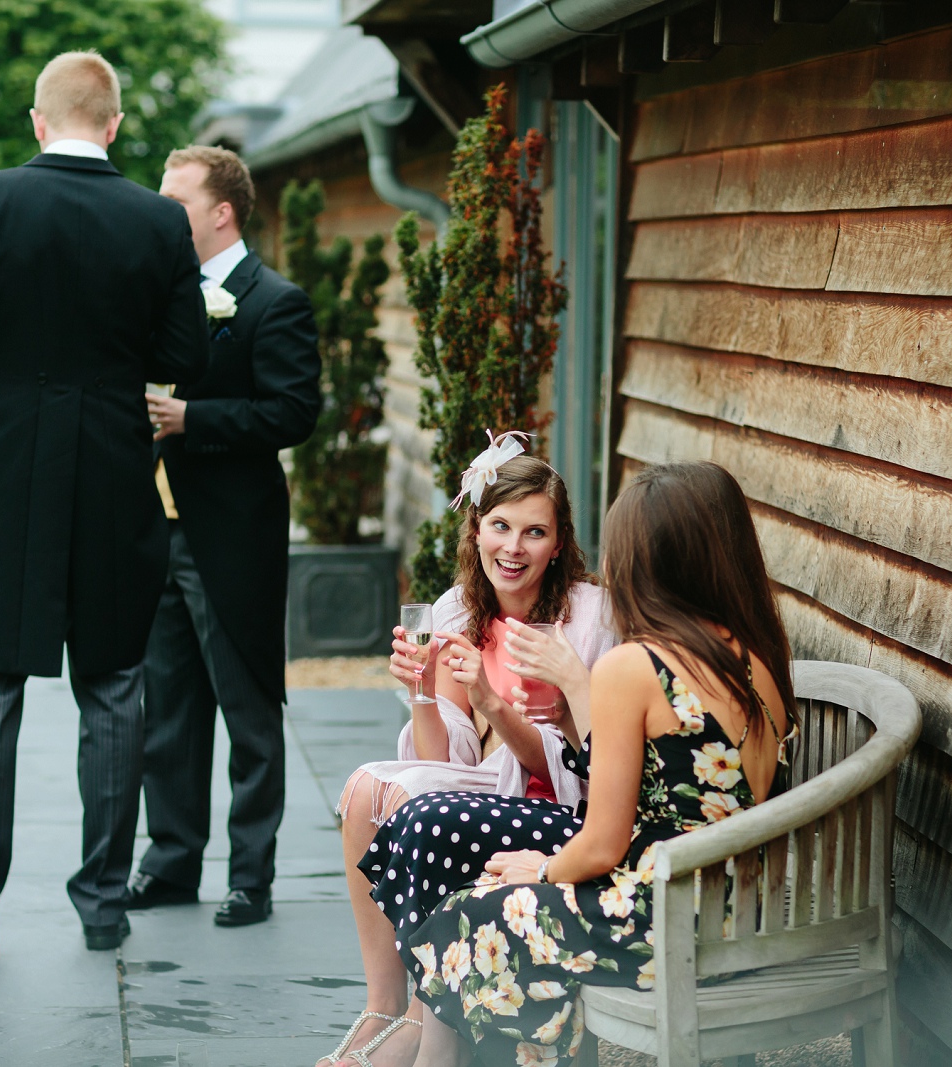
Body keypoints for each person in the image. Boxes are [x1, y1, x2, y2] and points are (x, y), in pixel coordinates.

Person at [0, 50, 209, 960]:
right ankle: (104, 903)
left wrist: (9, 381)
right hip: (113, 473)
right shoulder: (158, 220)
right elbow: (188, 347)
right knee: (113, 687)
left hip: (5, 473)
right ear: (112, 125)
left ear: (38, 121)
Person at [403, 461, 799, 1067]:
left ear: (648, 559)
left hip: (664, 918)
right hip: (736, 908)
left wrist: (543, 869)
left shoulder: (635, 667)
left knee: (471, 913)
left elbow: (603, 843)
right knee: (500, 902)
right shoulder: (757, 658)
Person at [321, 440, 614, 1066]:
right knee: (367, 788)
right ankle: (385, 1003)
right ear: (476, 529)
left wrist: (491, 696)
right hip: (482, 788)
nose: (513, 548)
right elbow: (447, 759)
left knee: (410, 803)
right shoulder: (457, 609)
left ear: (559, 543)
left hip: (562, 802)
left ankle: (425, 1029)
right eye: (500, 527)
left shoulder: (587, 619)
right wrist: (424, 695)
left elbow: (570, 768)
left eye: (535, 532)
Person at [120, 145, 321, 928]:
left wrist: (191, 418)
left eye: (176, 202)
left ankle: (250, 878)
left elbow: (293, 412)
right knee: (165, 710)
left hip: (233, 540)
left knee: (247, 709)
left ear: (221, 212)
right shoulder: (157, 296)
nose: (161, 213)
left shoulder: (274, 301)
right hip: (158, 535)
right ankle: (170, 863)